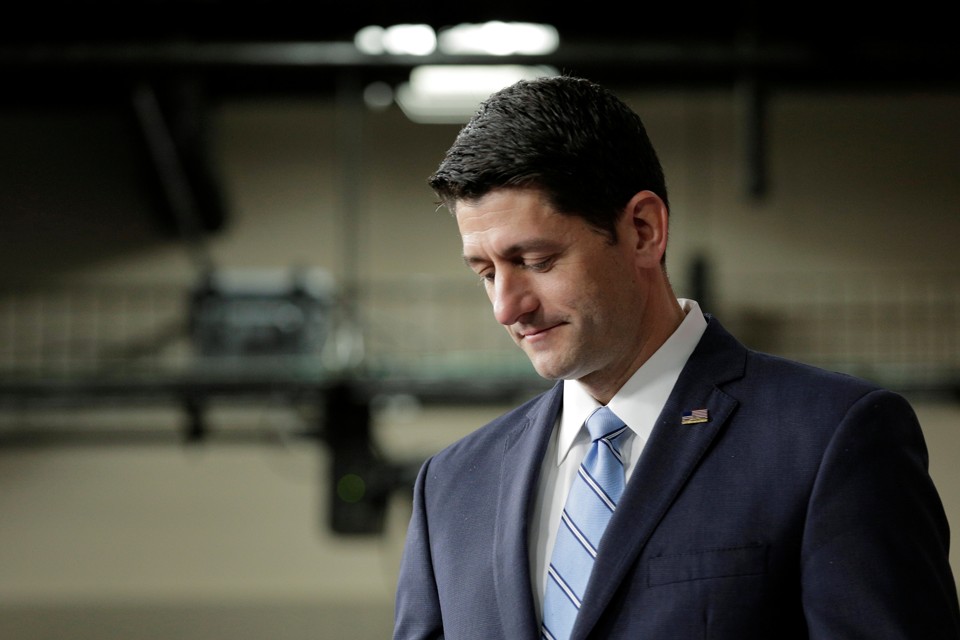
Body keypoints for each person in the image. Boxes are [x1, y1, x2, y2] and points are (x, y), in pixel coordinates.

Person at [392, 75, 960, 639]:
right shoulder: (452, 485)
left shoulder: (831, 439)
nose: (506, 307)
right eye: (486, 273)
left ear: (643, 230)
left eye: (537, 260)